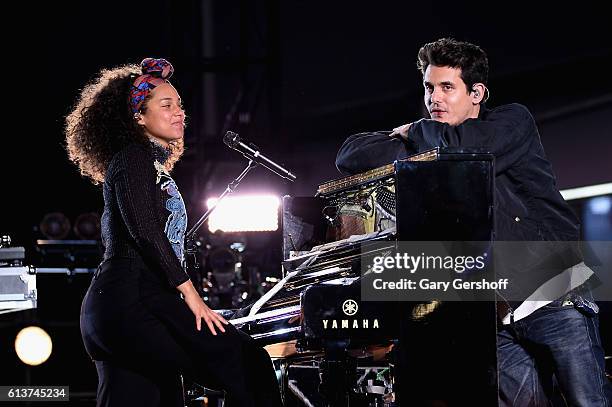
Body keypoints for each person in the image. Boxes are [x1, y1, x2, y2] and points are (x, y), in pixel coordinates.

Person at [336, 38, 611, 406]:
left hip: (553, 296)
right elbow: (351, 154)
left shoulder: (512, 121)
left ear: (477, 92)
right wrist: (420, 137)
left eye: (447, 87)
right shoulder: (433, 141)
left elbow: (473, 146)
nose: (435, 98)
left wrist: (416, 132)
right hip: (493, 315)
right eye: (429, 87)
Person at [65, 58, 282, 407]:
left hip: (114, 311)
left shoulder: (143, 163)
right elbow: (147, 232)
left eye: (180, 104)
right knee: (247, 361)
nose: (179, 112)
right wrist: (192, 297)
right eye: (166, 105)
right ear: (139, 116)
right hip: (133, 302)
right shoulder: (132, 157)